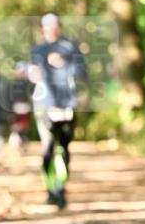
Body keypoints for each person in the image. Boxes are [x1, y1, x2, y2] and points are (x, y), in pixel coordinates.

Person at [29, 12, 86, 209]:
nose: (52, 31)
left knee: (63, 148)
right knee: (47, 147)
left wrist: (64, 64)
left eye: (55, 27)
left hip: (66, 104)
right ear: (43, 30)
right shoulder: (37, 49)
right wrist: (30, 74)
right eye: (48, 28)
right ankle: (50, 190)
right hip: (44, 104)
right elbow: (32, 73)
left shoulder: (70, 47)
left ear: (59, 27)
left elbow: (82, 73)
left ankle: (61, 188)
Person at [7, 61, 32, 151]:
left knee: (24, 129)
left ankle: (23, 145)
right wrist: (10, 111)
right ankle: (17, 145)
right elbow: (10, 98)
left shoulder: (27, 83)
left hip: (25, 108)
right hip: (15, 109)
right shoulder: (12, 84)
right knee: (16, 129)